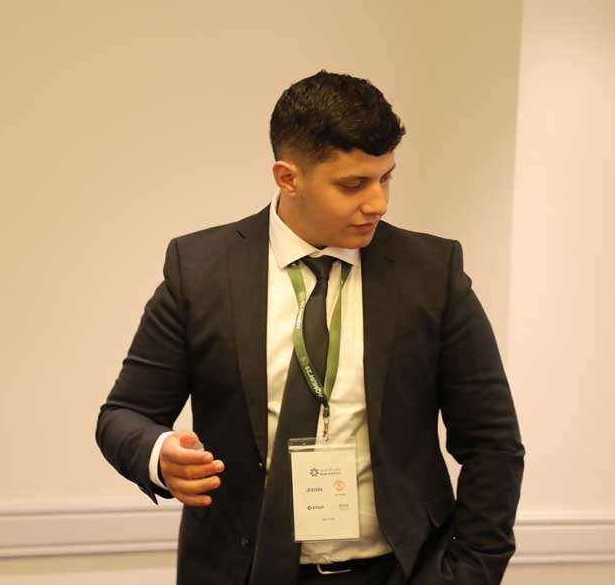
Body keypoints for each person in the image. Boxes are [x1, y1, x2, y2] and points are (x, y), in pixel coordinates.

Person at [97, 71, 523, 585]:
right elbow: (123, 414)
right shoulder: (201, 270)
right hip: (244, 572)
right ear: (288, 177)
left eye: (385, 178)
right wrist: (159, 454)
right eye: (353, 185)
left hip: (399, 573)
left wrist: (468, 572)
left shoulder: (431, 273)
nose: (378, 203)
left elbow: (493, 443)